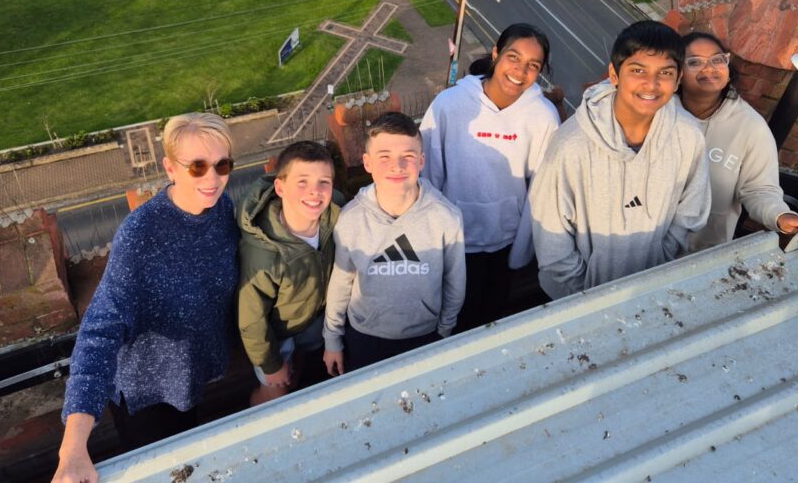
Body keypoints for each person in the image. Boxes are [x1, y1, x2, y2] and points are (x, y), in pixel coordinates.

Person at [53, 113, 240, 483]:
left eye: (222, 165)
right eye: (197, 167)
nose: (213, 178)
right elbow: (99, 331)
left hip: (191, 376)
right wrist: (72, 447)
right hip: (148, 393)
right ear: (170, 167)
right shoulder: (141, 235)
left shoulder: (221, 208)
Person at [530, 21, 710, 300]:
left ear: (677, 81)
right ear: (614, 75)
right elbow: (551, 232)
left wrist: (660, 264)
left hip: (654, 292)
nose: (651, 84)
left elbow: (690, 211)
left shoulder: (689, 137)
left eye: (665, 72)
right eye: (638, 70)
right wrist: (580, 296)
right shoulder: (570, 145)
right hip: (580, 301)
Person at [420, 23, 560, 330]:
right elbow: (428, 175)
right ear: (496, 53)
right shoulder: (449, 105)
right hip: (455, 242)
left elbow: (542, 190)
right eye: (513, 57)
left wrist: (521, 251)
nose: (520, 71)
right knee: (453, 322)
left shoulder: (543, 116)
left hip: (504, 242)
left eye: (532, 65)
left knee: (492, 321)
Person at [323, 112, 466, 374]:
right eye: (384, 156)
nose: (396, 166)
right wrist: (332, 339)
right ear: (367, 162)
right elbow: (341, 282)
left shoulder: (447, 217)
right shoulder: (350, 219)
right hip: (364, 336)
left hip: (425, 335)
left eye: (408, 156)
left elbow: (455, 280)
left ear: (421, 161)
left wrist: (444, 330)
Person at [677, 31, 798, 252]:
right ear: (676, 72)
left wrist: (780, 215)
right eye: (695, 62)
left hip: (699, 252)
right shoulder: (661, 111)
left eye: (717, 60)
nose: (709, 68)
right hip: (644, 241)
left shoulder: (751, 127)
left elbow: (759, 188)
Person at [237, 141, 343, 406]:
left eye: (324, 183)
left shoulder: (337, 213)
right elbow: (252, 320)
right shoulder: (263, 254)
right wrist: (271, 365)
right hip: (276, 335)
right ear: (280, 187)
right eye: (302, 182)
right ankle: (258, 431)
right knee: (276, 391)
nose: (314, 193)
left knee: (300, 375)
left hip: (312, 321)